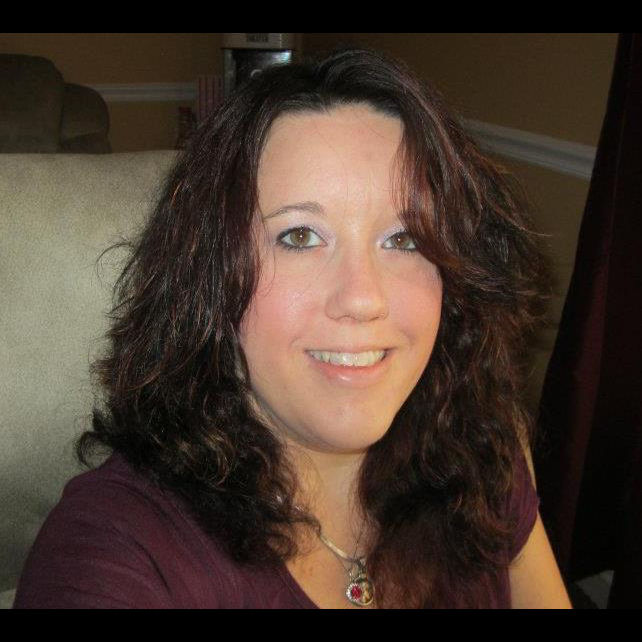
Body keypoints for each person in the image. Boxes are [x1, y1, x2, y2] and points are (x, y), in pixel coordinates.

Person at [13, 48, 572, 609]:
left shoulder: (478, 450)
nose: (362, 299)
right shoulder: (119, 547)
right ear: (209, 278)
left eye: (405, 239)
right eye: (299, 237)